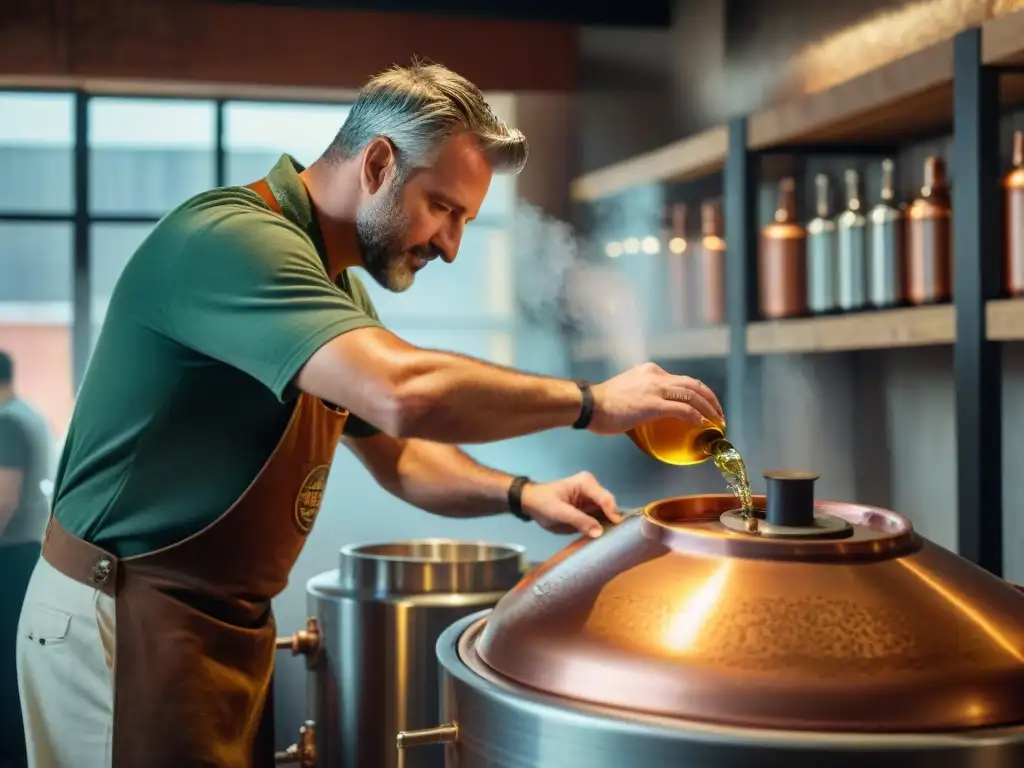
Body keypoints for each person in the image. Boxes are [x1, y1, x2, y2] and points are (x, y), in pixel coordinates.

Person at [17, 62, 726, 768]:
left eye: (466, 221)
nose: (451, 245)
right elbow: (403, 392)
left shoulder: (333, 287)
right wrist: (592, 404)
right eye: (444, 208)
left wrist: (523, 495)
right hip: (119, 616)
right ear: (380, 162)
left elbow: (404, 454)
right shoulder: (234, 242)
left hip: (212, 630)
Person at [0, 351, 52, 768]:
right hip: (28, 555)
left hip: (10, 559)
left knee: (4, 670)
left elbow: (3, 498)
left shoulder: (7, 422)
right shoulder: (29, 414)